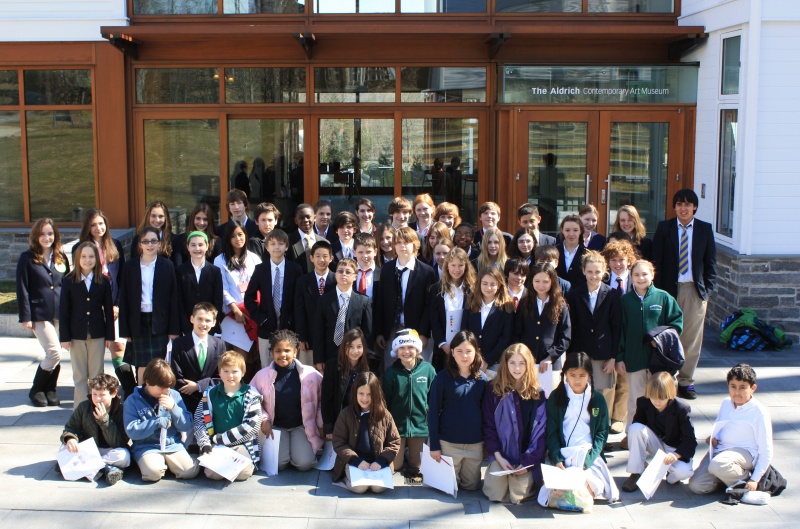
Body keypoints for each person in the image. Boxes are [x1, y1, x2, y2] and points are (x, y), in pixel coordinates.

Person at [652, 189, 717, 400]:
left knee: (691, 339)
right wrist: (658, 291)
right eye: (679, 204)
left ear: (694, 207)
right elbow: (656, 261)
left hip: (693, 291)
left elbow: (711, 263)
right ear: (675, 207)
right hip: (668, 290)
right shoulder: (665, 228)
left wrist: (707, 291)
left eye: (688, 204)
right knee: (668, 335)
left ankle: (686, 381)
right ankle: (668, 380)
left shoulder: (705, 229)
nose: (683, 208)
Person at [539, 352, 619, 506]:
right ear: (565, 374)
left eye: (582, 375)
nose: (577, 380)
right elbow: (551, 431)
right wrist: (557, 457)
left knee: (588, 486)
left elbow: (602, 433)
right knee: (557, 489)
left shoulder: (597, 399)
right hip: (563, 453)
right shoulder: (556, 397)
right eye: (572, 375)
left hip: (588, 453)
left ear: (589, 375)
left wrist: (588, 461)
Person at [617, 260, 682, 436]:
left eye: (645, 274)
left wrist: (662, 339)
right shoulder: (625, 301)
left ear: (652, 275)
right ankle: (632, 435)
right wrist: (620, 357)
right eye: (636, 275)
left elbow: (676, 324)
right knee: (635, 400)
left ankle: (663, 434)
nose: (641, 278)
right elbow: (620, 331)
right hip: (634, 359)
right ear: (631, 277)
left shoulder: (663, 297)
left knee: (661, 398)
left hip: (660, 360)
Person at [688, 364, 773, 495]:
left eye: (742, 387)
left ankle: (744, 481)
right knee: (696, 486)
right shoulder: (726, 403)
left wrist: (755, 479)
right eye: (733, 386)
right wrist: (713, 438)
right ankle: (727, 477)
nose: (737, 392)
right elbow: (720, 426)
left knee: (718, 464)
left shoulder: (759, 412)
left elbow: (766, 450)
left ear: (753, 388)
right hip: (720, 451)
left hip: (745, 453)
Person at [250, 330, 324, 472]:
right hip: (276, 426)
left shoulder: (311, 374)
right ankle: (287, 453)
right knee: (278, 464)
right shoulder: (261, 376)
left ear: (295, 352)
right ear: (272, 353)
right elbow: (252, 402)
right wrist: (264, 420)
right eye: (278, 351)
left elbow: (322, 400)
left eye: (287, 351)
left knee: (304, 463)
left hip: (301, 426)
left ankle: (297, 451)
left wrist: (320, 424)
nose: (282, 354)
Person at [482, 344, 546, 504]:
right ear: (505, 364)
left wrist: (527, 463)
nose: (517, 368)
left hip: (526, 456)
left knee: (517, 495)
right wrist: (498, 457)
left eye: (521, 363)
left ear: (528, 364)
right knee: (495, 493)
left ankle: (526, 480)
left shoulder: (537, 392)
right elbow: (488, 427)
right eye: (512, 363)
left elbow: (540, 432)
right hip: (501, 454)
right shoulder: (493, 390)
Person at [18, 219, 70, 407]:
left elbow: (67, 284)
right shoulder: (27, 258)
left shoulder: (61, 258)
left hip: (60, 312)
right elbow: (22, 288)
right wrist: (26, 316)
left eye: (50, 233)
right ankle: (37, 388)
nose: (47, 238)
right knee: (54, 352)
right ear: (36, 236)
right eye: (42, 234)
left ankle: (50, 389)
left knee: (55, 352)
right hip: (39, 313)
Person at [566, 250, 621, 426]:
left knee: (600, 394)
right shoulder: (575, 294)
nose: (593, 275)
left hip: (602, 353)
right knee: (580, 390)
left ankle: (600, 425)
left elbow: (616, 327)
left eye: (597, 272)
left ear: (604, 271)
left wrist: (613, 357)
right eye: (589, 271)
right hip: (581, 352)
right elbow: (571, 325)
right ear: (583, 271)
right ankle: (582, 424)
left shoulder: (612, 294)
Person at [119, 226, 180, 384]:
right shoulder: (130, 266)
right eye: (146, 241)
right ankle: (141, 395)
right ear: (140, 244)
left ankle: (157, 395)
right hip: (138, 321)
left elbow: (173, 298)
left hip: (160, 321)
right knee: (141, 365)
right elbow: (124, 299)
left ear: (159, 243)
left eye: (153, 241)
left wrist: (173, 329)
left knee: (158, 364)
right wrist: (125, 330)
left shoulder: (167, 266)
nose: (150, 245)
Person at [427, 331, 487, 491]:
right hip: (448, 443)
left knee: (471, 486)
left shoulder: (482, 380)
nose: (464, 356)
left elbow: (487, 414)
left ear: (476, 352)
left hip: (474, 444)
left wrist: (486, 443)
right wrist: (434, 445)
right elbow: (433, 413)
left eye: (468, 351)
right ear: (452, 352)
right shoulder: (442, 378)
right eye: (459, 351)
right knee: (449, 487)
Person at [124, 359, 200, 482]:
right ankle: (154, 464)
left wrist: (174, 408)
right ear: (148, 382)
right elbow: (131, 431)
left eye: (168, 387)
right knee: (153, 473)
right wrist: (156, 422)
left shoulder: (173, 395)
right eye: (161, 388)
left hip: (172, 444)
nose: (165, 391)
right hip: (147, 446)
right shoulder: (132, 400)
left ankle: (169, 463)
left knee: (190, 471)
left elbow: (186, 425)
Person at [77, 208, 128, 388]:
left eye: (101, 223)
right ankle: (96, 388)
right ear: (87, 227)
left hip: (113, 305)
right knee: (94, 352)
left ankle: (127, 386)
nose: (98, 228)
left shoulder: (115, 245)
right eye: (93, 225)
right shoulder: (80, 248)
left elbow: (121, 278)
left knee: (118, 346)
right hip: (92, 307)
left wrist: (117, 304)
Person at [59, 242, 114, 408]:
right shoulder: (69, 281)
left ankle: (97, 410)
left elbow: (108, 311)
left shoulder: (103, 281)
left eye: (91, 256)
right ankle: (81, 411)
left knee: (96, 375)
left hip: (98, 333)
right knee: (80, 375)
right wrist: (64, 337)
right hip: (76, 334)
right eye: (83, 256)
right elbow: (64, 311)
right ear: (77, 258)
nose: (87, 260)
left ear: (97, 259)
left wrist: (110, 336)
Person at [193, 350, 263, 481]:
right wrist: (205, 444)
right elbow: (199, 420)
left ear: (243, 373)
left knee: (243, 473)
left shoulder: (252, 395)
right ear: (219, 373)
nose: (230, 375)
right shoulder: (210, 394)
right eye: (225, 371)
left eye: (235, 371)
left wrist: (220, 439)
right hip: (217, 445)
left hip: (243, 444)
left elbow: (252, 426)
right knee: (212, 474)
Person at [621, 371, 696, 492]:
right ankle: (636, 471)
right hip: (655, 443)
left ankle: (669, 473)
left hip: (673, 448)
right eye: (653, 397)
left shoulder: (682, 408)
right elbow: (638, 428)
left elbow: (690, 441)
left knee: (683, 472)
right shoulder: (643, 402)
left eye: (662, 398)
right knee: (635, 428)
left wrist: (676, 455)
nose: (657, 401)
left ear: (670, 394)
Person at [374, 226, 437, 369]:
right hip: (392, 329)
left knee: (418, 369)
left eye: (406, 242)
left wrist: (424, 333)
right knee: (391, 369)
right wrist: (379, 332)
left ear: (415, 245)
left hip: (417, 330)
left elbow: (429, 306)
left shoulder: (427, 272)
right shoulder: (387, 269)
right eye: (398, 242)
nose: (402, 246)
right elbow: (381, 302)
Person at [332, 371, 400, 493]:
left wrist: (382, 460)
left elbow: (394, 441)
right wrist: (355, 460)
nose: (364, 398)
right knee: (359, 488)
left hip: (378, 462)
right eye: (361, 393)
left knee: (378, 488)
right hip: (355, 462)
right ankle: (346, 478)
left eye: (369, 394)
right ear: (355, 393)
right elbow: (338, 441)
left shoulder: (384, 415)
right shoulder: (346, 414)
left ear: (376, 394)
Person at [381, 329, 436, 480]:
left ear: (417, 349)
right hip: (397, 427)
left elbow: (433, 398)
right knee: (396, 466)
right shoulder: (391, 373)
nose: (406, 352)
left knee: (416, 465)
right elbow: (385, 401)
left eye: (410, 347)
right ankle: (403, 450)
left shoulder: (428, 370)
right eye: (402, 348)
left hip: (419, 427)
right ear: (396, 351)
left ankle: (409, 452)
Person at [245, 228, 302, 368]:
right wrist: (261, 319)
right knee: (267, 368)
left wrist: (292, 319)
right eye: (273, 243)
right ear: (267, 247)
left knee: (289, 366)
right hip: (266, 328)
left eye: (281, 243)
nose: (277, 247)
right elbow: (249, 298)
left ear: (287, 247)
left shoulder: (295, 269)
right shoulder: (260, 269)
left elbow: (300, 300)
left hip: (289, 327)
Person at [59, 374, 130, 485]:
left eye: (102, 395)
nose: (97, 398)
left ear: (113, 393)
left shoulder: (121, 410)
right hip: (88, 450)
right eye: (94, 394)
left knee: (124, 456)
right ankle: (107, 469)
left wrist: (104, 421)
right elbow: (71, 427)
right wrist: (70, 438)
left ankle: (87, 469)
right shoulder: (84, 407)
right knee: (63, 448)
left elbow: (119, 442)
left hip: (109, 450)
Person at [514, 263, 571, 395]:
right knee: (525, 397)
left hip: (551, 364)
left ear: (552, 282)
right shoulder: (525, 302)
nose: (541, 285)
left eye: (545, 282)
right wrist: (522, 356)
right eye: (537, 281)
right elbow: (517, 332)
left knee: (549, 399)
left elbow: (565, 337)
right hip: (526, 362)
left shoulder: (560, 305)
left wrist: (550, 357)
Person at [601, 238, 637, 434]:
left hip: (630, 334)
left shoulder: (636, 279)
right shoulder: (603, 280)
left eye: (621, 259)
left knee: (625, 379)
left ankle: (618, 417)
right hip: (608, 334)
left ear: (629, 260)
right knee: (608, 380)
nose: (617, 264)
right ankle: (605, 417)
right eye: (613, 260)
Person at [312, 258, 372, 370]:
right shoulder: (324, 300)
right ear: (335, 275)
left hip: (355, 355)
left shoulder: (363, 301)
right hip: (331, 353)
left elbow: (367, 332)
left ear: (355, 276)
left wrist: (366, 358)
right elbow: (319, 330)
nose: (343, 274)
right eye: (340, 271)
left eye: (348, 272)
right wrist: (319, 358)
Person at [213, 220, 262, 357]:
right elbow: (222, 288)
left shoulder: (254, 258)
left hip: (253, 311)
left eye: (240, 234)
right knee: (240, 356)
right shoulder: (220, 260)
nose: (237, 239)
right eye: (233, 236)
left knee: (255, 356)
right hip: (233, 314)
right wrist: (236, 310)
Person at [170, 302, 225, 415]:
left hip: (212, 401)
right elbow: (176, 374)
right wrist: (188, 388)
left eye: (208, 320)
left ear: (214, 322)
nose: (203, 324)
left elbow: (222, 375)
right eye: (199, 319)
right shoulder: (179, 344)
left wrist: (199, 386)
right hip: (185, 402)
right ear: (192, 319)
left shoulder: (220, 345)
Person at [430, 247, 475, 373]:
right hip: (443, 349)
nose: (457, 269)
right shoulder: (437, 289)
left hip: (465, 349)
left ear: (466, 266)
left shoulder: (472, 290)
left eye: (460, 265)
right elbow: (434, 320)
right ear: (447, 266)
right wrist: (443, 344)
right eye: (453, 265)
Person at [462, 267, 515, 372]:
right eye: (485, 283)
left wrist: (488, 360)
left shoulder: (507, 307)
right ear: (479, 284)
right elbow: (465, 331)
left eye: (493, 284)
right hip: (471, 360)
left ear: (499, 285)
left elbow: (506, 338)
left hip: (495, 363)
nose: (488, 288)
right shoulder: (471, 303)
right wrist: (473, 356)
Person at [322, 329, 371, 437]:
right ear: (344, 347)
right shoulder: (332, 366)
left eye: (359, 346)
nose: (355, 351)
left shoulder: (369, 366)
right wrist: (329, 427)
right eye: (350, 346)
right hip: (339, 420)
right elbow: (326, 398)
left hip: (362, 421)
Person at [294, 240, 336, 366]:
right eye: (317, 256)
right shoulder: (303, 281)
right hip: (310, 337)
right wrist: (302, 337)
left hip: (332, 338)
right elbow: (299, 310)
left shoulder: (337, 280)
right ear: (311, 258)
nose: (321, 259)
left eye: (325, 256)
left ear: (331, 258)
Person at [175, 231, 224, 336]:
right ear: (187, 247)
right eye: (193, 245)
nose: (197, 248)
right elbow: (179, 301)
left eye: (200, 245)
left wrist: (211, 323)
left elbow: (218, 300)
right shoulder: (180, 271)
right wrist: (186, 327)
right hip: (187, 327)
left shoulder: (215, 271)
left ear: (207, 246)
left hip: (209, 327)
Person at [288, 203, 328, 274]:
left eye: (308, 217)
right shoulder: (288, 241)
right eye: (301, 217)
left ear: (314, 218)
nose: (305, 220)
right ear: (296, 220)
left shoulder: (324, 242)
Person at [556, 214, 587, 290]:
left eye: (575, 230)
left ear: (581, 231)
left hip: (579, 295)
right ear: (562, 230)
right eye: (567, 230)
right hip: (557, 294)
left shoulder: (587, 254)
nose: (571, 234)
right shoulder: (554, 251)